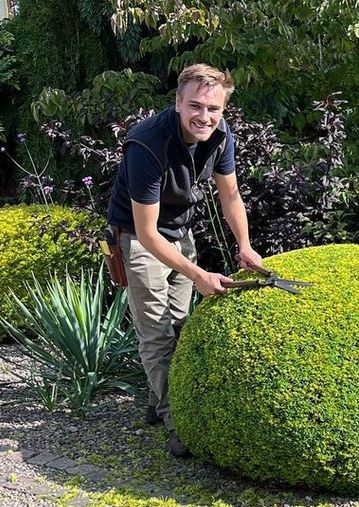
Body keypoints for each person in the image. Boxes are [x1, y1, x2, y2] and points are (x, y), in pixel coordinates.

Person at [107, 64, 263, 458]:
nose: (204, 116)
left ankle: (161, 399)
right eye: (195, 106)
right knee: (157, 333)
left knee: (180, 326)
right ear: (177, 103)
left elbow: (230, 196)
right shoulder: (147, 144)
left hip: (180, 232)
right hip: (140, 238)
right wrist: (197, 274)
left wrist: (243, 245)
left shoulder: (220, 135)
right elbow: (146, 233)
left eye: (213, 108)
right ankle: (176, 422)